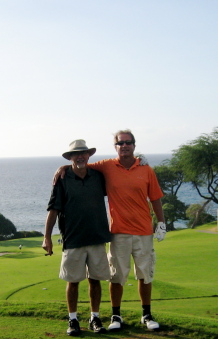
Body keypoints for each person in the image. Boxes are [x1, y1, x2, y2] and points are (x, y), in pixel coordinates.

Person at [53, 129, 166, 331]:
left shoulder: (146, 169)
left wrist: (161, 223)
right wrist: (63, 166)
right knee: (117, 276)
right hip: (118, 231)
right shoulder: (106, 166)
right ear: (115, 147)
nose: (124, 146)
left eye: (128, 142)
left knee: (144, 275)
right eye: (120, 143)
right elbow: (80, 165)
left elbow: (155, 198)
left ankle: (146, 315)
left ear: (134, 145)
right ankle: (116, 316)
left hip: (143, 231)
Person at [42, 139, 111, 336]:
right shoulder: (62, 179)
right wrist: (47, 237)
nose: (80, 156)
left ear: (89, 155)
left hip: (97, 236)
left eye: (83, 153)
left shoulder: (98, 176)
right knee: (72, 281)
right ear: (70, 157)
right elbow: (53, 210)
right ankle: (73, 319)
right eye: (75, 154)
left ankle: (95, 317)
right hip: (73, 238)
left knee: (95, 280)